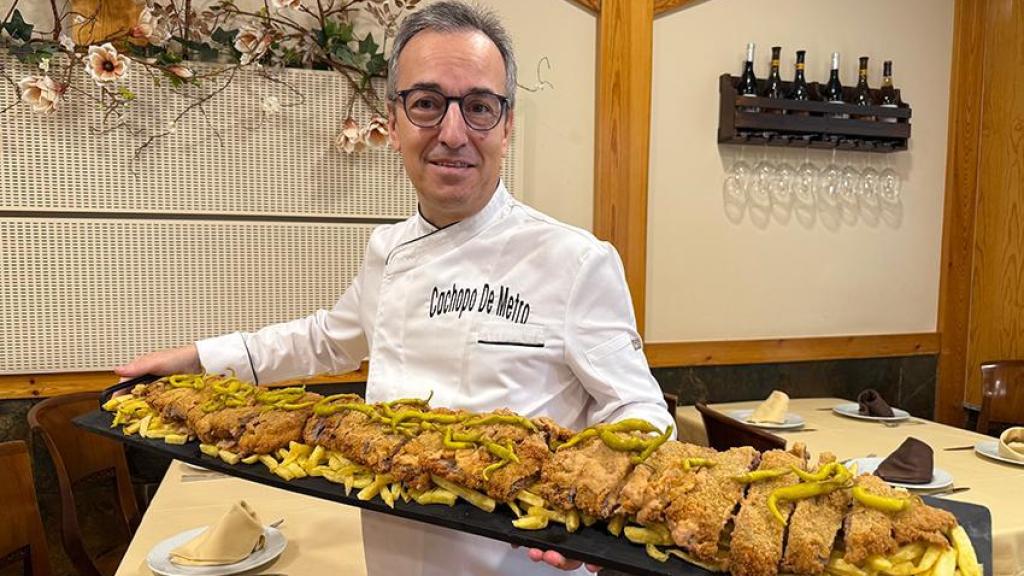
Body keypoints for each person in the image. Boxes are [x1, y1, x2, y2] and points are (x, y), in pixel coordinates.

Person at [115, 2, 673, 574]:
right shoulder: (387, 249)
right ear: (395, 120)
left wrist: (613, 515)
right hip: (392, 555)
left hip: (523, 565)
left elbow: (638, 409)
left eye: (479, 107)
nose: (453, 133)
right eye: (428, 104)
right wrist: (199, 358)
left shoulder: (576, 260)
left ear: (507, 124)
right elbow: (327, 340)